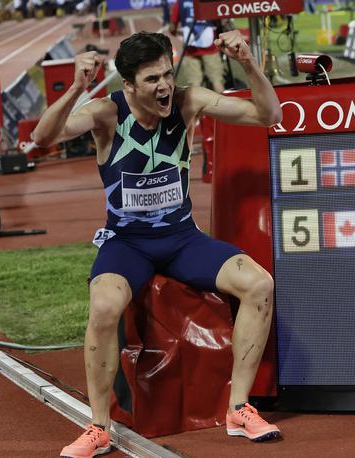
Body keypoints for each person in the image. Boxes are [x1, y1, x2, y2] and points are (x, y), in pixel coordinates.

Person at [32, 30, 283, 457]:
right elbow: (42, 137)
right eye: (152, 80)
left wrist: (247, 62)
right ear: (128, 84)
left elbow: (268, 114)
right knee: (105, 305)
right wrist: (76, 87)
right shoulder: (105, 114)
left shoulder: (188, 101)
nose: (164, 86)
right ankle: (98, 427)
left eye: (167, 74)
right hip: (127, 243)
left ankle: (239, 408)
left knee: (259, 284)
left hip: (182, 240)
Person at [169, 0, 225, 93]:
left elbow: (172, 27)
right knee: (217, 82)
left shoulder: (180, 2)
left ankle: (199, 106)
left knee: (195, 85)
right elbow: (220, 21)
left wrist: (176, 32)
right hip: (210, 45)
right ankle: (224, 106)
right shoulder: (209, 2)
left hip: (190, 47)